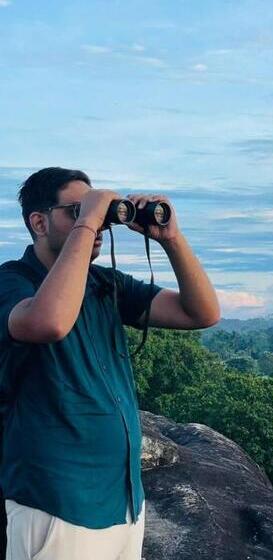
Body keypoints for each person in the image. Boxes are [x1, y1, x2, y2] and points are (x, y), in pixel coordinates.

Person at [0, 167, 221, 560]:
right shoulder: (13, 283)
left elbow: (201, 313)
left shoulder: (105, 285)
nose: (98, 224)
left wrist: (172, 240)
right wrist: (88, 221)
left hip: (123, 501)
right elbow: (48, 321)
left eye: (99, 215)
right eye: (76, 209)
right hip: (57, 503)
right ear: (39, 221)